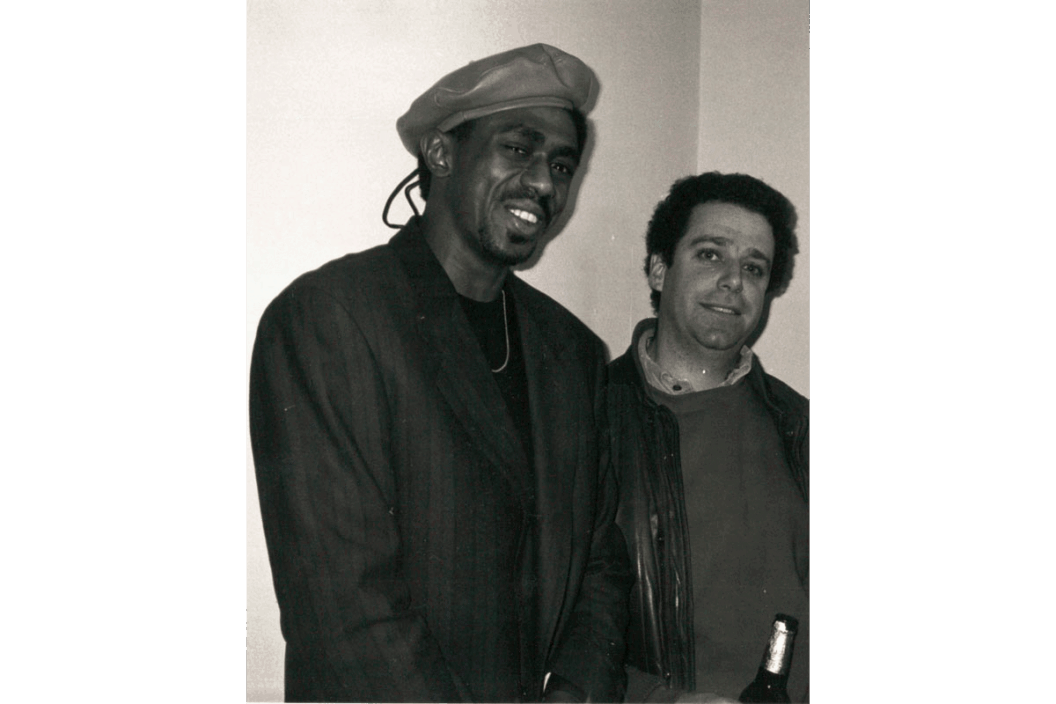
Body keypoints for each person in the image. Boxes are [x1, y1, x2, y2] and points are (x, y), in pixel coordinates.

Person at [249, 44, 631, 703]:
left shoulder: (573, 352)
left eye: (562, 165)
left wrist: (574, 692)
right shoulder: (330, 317)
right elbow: (344, 609)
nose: (545, 183)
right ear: (441, 153)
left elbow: (601, 562)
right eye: (519, 148)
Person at [608, 173, 809, 702]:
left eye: (754, 268)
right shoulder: (588, 419)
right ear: (659, 268)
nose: (733, 281)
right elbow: (550, 628)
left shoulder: (800, 426)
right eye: (710, 255)